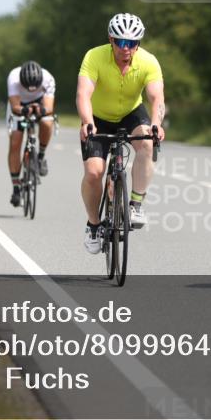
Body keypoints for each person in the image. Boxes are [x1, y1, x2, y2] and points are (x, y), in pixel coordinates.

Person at [77, 13, 166, 253]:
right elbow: (83, 93)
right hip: (98, 118)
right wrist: (87, 122)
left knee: (147, 143)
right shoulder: (94, 56)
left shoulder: (148, 61)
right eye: (121, 42)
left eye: (133, 43)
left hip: (131, 113)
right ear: (111, 39)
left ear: (138, 43)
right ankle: (93, 224)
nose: (126, 49)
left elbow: (157, 98)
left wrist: (156, 123)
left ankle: (136, 204)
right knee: (94, 173)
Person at [7, 61, 56, 207]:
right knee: (15, 141)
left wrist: (40, 110)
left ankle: (40, 156)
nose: (30, 89)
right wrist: (24, 110)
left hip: (40, 102)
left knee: (47, 123)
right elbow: (15, 106)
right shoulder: (13, 78)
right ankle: (16, 187)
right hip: (19, 104)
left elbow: (49, 107)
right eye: (27, 87)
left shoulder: (48, 78)